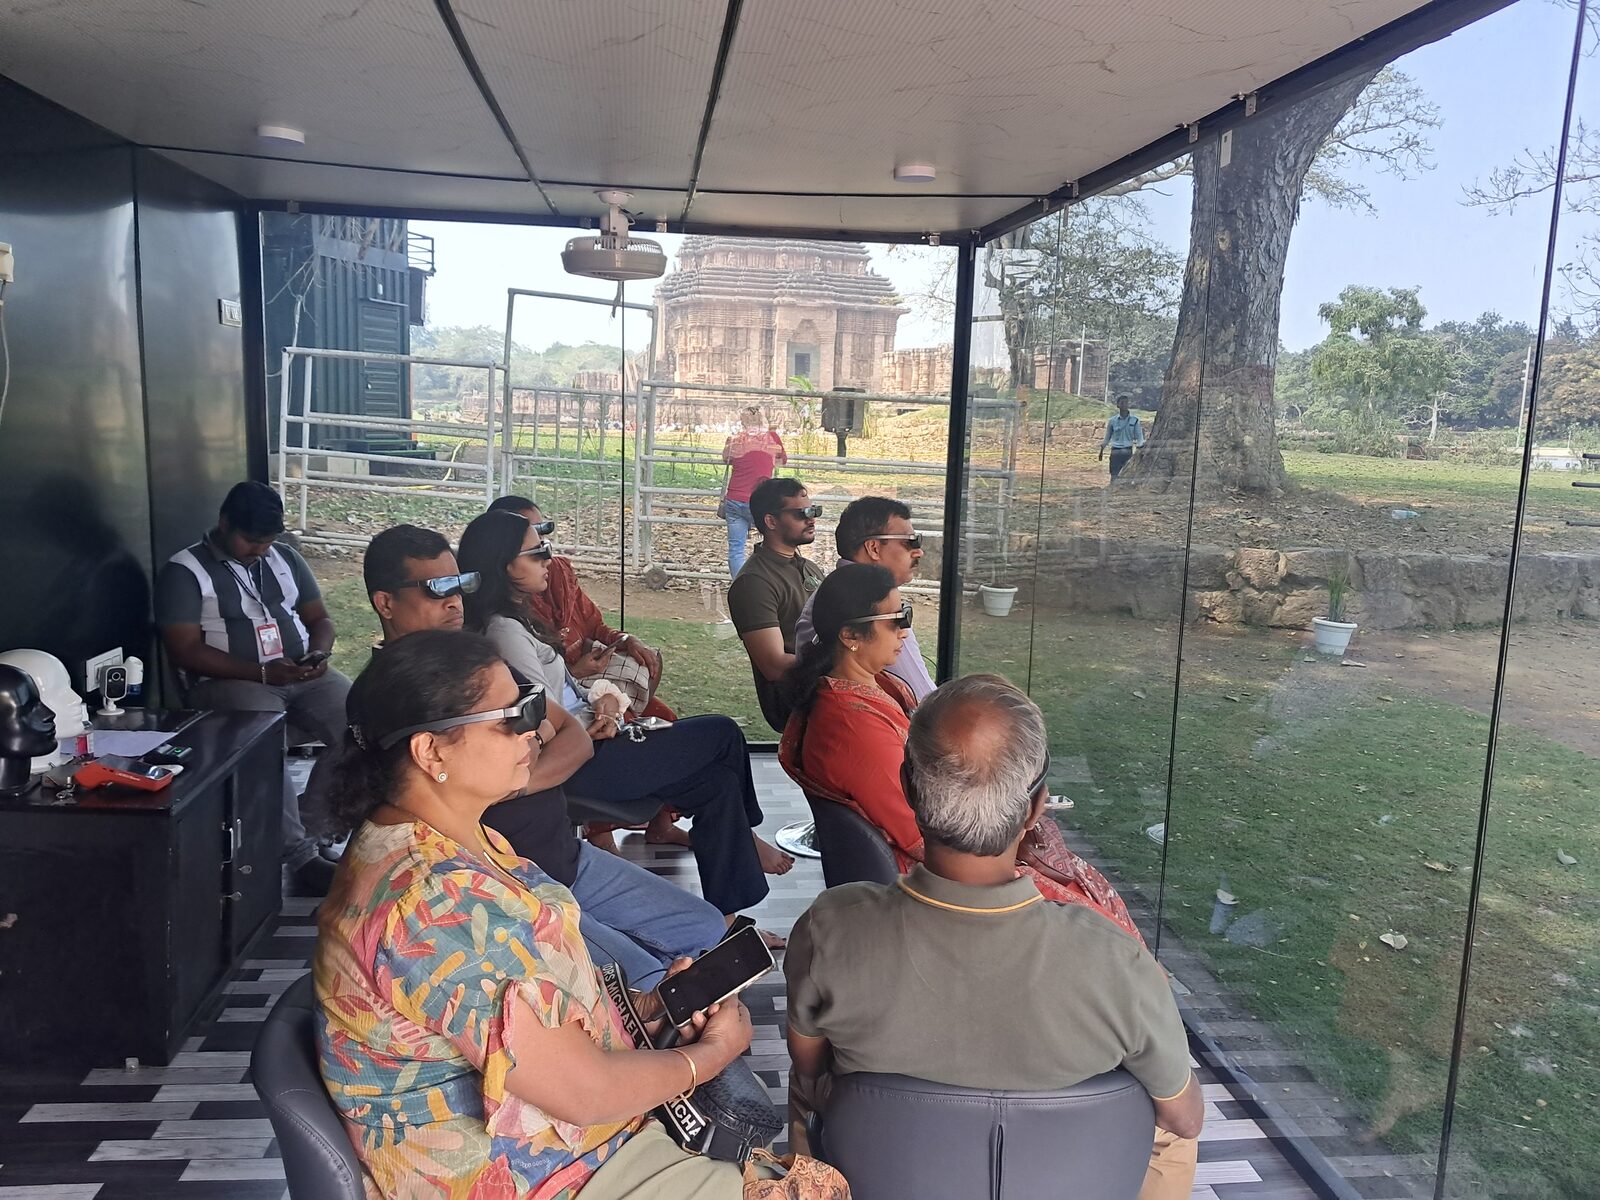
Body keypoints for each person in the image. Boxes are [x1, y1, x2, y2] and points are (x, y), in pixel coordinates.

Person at [314, 632, 846, 1199]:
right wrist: (710, 1056)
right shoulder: (436, 904)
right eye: (511, 717)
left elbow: (528, 1009)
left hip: (556, 1143)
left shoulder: (446, 842)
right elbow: (584, 1093)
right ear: (431, 752)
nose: (534, 729)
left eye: (532, 705)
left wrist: (646, 1010)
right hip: (530, 1173)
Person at [784, 675, 1203, 1198]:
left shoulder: (830, 929)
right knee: (1172, 1129)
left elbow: (808, 1069)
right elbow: (1186, 1118)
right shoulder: (1117, 958)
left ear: (908, 787)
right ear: (1035, 808)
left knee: (806, 1092)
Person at [302, 524, 726, 987]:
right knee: (647, 981)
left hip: (553, 858)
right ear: (385, 603)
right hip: (508, 880)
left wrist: (513, 777)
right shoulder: (392, 699)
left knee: (704, 931)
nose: (454, 601)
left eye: (460, 584)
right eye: (436, 588)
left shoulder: (478, 665)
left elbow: (573, 736)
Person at [457, 511, 795, 941]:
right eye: (537, 551)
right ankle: (746, 836)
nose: (548, 558)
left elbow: (564, 692)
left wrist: (603, 701)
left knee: (718, 784)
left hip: (596, 737)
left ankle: (726, 925)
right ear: (507, 565)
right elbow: (540, 718)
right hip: (580, 761)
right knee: (722, 733)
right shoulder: (504, 632)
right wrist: (597, 716)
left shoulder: (520, 621)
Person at [779, 565, 1141, 937]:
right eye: (896, 620)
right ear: (850, 635)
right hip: (938, 876)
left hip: (949, 850)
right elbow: (920, 832)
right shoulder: (853, 727)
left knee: (1082, 885)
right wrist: (1003, 834)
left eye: (907, 615)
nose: (905, 630)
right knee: (1095, 920)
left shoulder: (866, 690)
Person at [156, 481, 349, 895]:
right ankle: (299, 858)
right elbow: (184, 649)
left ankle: (315, 829)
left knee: (362, 720)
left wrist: (319, 653)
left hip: (299, 673)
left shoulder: (285, 558)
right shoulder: (185, 571)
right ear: (225, 523)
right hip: (231, 681)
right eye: (251, 540)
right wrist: (260, 673)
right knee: (265, 737)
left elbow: (320, 619)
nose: (260, 549)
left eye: (268, 541)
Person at [487, 496, 674, 724]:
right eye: (533, 544)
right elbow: (546, 715)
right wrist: (577, 673)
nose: (547, 558)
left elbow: (594, 626)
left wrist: (626, 641)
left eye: (542, 533)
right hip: (579, 717)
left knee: (651, 665)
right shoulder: (506, 629)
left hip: (585, 699)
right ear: (504, 558)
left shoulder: (557, 576)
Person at [794, 496, 933, 701]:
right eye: (910, 541)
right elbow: (921, 700)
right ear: (874, 548)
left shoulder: (835, 595)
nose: (919, 551)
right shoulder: (874, 607)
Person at [727, 476, 824, 732]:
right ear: (771, 521)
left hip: (826, 689)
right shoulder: (753, 583)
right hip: (799, 702)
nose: (812, 519)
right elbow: (774, 665)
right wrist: (843, 665)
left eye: (814, 511)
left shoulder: (809, 568)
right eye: (802, 513)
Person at [721, 407, 787, 578]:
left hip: (735, 498)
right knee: (772, 544)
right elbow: (782, 460)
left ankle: (739, 585)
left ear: (743, 421)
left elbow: (725, 457)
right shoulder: (772, 438)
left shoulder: (735, 439)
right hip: (760, 499)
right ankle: (766, 582)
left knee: (736, 548)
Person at [1098, 395, 1145, 480]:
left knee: (1126, 474)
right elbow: (1107, 437)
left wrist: (1140, 447)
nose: (1124, 405)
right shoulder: (1112, 421)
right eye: (1122, 403)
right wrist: (1102, 448)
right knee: (1114, 474)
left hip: (1127, 450)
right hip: (1115, 451)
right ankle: (1113, 487)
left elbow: (1139, 436)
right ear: (1118, 405)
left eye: (1126, 403)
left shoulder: (1134, 420)